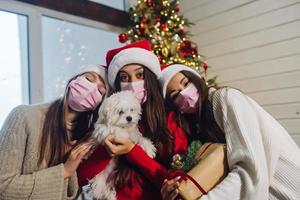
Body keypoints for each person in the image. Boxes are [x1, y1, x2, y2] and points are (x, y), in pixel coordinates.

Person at [159, 64, 300, 200]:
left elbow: (250, 169)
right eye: (176, 95)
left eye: (186, 83)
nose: (184, 93)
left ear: (197, 79)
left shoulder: (223, 98)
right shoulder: (198, 127)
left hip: (288, 189)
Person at [77, 40, 188, 200]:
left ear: (150, 77)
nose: (133, 83)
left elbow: (178, 181)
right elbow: (81, 177)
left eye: (140, 75)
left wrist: (132, 150)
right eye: (124, 77)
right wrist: (106, 150)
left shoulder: (170, 120)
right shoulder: (109, 119)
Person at [0, 65, 108, 200]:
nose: (91, 89)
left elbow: (72, 194)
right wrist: (65, 171)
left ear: (98, 104)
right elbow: (3, 187)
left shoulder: (84, 139)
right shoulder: (23, 116)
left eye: (100, 90)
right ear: (73, 80)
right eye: (88, 79)